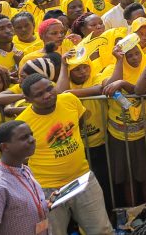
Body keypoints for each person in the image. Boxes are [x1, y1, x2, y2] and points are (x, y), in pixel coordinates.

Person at [16, 73, 113, 235]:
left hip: (82, 180)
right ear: (28, 99)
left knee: (101, 230)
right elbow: (22, 158)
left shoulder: (70, 100)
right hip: (47, 190)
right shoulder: (23, 123)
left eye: (49, 89)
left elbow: (78, 122)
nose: (47, 95)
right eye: (39, 95)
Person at [0, 120, 50, 235]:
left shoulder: (24, 169)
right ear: (5, 147)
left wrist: (45, 204)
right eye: (24, 138)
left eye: (31, 134)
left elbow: (20, 208)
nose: (32, 139)